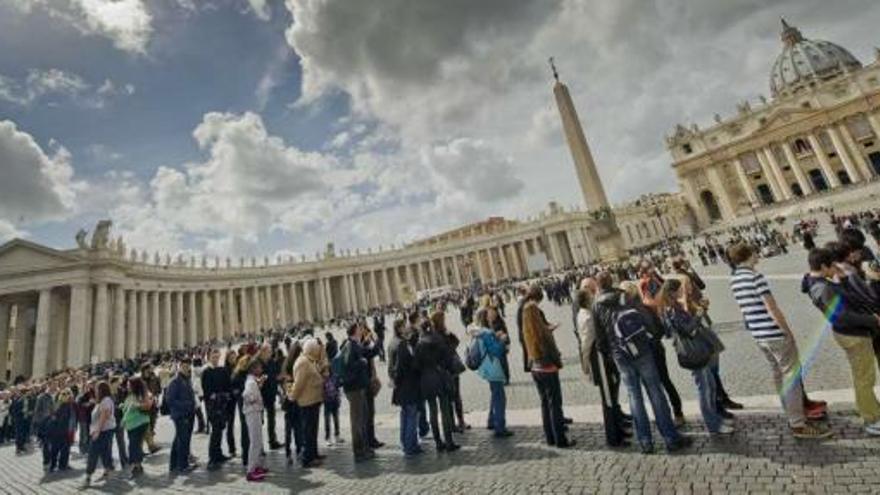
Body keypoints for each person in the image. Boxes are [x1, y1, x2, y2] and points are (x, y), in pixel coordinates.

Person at [728, 243, 832, 439]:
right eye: (755, 251)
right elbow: (772, 307)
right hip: (774, 333)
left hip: (759, 335)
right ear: (749, 254)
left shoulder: (735, 279)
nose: (758, 254)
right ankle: (798, 424)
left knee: (778, 374)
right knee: (791, 375)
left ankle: (792, 413)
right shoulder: (755, 276)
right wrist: (787, 331)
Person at [592, 273, 689, 454]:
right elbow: (644, 321)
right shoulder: (625, 296)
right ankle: (670, 437)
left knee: (634, 396)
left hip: (620, 354)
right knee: (655, 392)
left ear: (598, 286)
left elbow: (600, 340)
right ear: (612, 282)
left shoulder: (596, 304)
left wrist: (612, 353)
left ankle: (645, 442)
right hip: (641, 349)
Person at [803, 247, 880, 435]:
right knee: (864, 379)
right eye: (832, 266)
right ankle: (871, 418)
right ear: (823, 266)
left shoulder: (819, 282)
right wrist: (872, 320)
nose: (835, 268)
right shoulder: (822, 287)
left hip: (850, 333)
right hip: (853, 335)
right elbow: (841, 317)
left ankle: (870, 408)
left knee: (863, 377)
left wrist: (842, 279)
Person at [656, 279, 732, 436]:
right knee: (704, 389)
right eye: (679, 290)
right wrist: (699, 313)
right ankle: (713, 425)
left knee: (710, 385)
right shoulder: (672, 310)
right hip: (693, 353)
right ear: (673, 292)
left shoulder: (672, 307)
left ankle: (716, 419)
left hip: (695, 350)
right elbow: (688, 330)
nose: (682, 292)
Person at [521, 284, 574, 448]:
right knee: (555, 404)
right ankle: (560, 439)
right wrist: (557, 361)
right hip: (547, 368)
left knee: (544, 403)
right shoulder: (543, 333)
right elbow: (551, 351)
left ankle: (550, 437)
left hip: (535, 369)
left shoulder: (528, 332)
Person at [415, 315, 460, 453]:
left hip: (427, 380)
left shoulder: (419, 344)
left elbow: (416, 365)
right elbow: (447, 358)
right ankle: (449, 441)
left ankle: (438, 442)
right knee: (445, 410)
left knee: (433, 412)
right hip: (440, 377)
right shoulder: (438, 339)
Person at [339, 322, 381, 461]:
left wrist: (377, 340)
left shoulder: (356, 344)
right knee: (357, 421)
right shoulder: (349, 345)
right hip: (354, 389)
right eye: (359, 329)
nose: (361, 331)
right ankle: (358, 452)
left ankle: (364, 448)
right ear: (355, 331)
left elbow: (370, 353)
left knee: (363, 418)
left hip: (359, 387)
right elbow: (348, 365)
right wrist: (362, 362)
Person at [471, 308, 513, 438]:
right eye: (489, 316)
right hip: (492, 366)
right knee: (500, 396)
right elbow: (496, 351)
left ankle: (491, 420)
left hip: (486, 367)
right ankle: (499, 427)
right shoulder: (487, 333)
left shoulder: (479, 332)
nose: (491, 318)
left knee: (495, 393)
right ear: (485, 318)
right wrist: (502, 340)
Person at [388, 318, 423, 457]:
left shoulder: (392, 342)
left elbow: (393, 367)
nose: (407, 328)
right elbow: (401, 367)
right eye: (405, 326)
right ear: (400, 328)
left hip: (401, 387)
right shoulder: (402, 345)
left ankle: (406, 442)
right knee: (411, 416)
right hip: (408, 386)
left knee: (405, 415)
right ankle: (410, 446)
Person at [288, 338, 325, 468]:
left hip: (313, 400)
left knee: (313, 430)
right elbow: (299, 384)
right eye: (317, 350)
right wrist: (292, 397)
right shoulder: (303, 363)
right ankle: (307, 458)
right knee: (308, 431)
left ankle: (313, 454)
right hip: (307, 402)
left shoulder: (309, 360)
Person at [433, 311, 470, 432]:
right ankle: (458, 422)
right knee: (454, 397)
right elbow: (454, 344)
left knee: (450, 398)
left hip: (446, 370)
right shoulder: (440, 334)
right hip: (449, 369)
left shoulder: (437, 334)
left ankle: (454, 423)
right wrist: (449, 335)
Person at [81, 381, 116, 488]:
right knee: (104, 452)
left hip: (103, 431)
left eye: (97, 389)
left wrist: (97, 431)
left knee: (93, 453)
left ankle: (88, 476)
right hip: (102, 431)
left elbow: (104, 417)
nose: (95, 391)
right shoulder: (101, 401)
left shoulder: (106, 400)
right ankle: (108, 470)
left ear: (101, 390)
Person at [202, 348, 232, 470]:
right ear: (209, 357)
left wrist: (225, 395)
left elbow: (227, 385)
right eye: (213, 357)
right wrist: (214, 396)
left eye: (217, 357)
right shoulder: (206, 372)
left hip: (222, 404)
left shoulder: (222, 370)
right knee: (215, 431)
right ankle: (212, 458)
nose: (216, 359)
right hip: (213, 406)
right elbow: (206, 390)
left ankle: (218, 454)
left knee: (220, 429)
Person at [166, 359, 198, 474]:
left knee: (179, 440)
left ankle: (173, 465)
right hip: (181, 415)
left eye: (188, 366)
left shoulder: (187, 379)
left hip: (189, 414)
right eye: (184, 366)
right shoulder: (175, 381)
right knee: (183, 440)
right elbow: (170, 400)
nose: (186, 368)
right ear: (179, 367)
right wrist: (187, 405)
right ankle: (183, 465)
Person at [121, 377, 153, 479]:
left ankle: (136, 467)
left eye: (129, 385)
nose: (127, 387)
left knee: (134, 445)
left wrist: (137, 405)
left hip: (139, 423)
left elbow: (148, 405)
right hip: (132, 424)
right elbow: (128, 407)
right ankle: (138, 466)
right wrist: (122, 406)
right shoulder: (130, 395)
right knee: (135, 445)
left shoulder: (141, 394)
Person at [243, 358, 268, 482]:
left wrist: (259, 384)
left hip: (255, 412)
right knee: (254, 442)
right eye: (259, 367)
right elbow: (247, 396)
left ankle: (257, 466)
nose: (261, 369)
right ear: (253, 369)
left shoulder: (252, 380)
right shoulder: (250, 382)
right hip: (252, 412)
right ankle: (251, 470)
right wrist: (254, 398)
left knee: (258, 441)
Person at [281, 340, 303, 464]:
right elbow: (288, 385)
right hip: (293, 399)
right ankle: (296, 451)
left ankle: (290, 452)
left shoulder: (287, 365)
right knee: (295, 427)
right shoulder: (293, 367)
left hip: (290, 400)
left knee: (291, 428)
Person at [259, 343, 283, 450]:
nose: (271, 353)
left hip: (271, 394)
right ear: (263, 351)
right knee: (259, 421)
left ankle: (272, 441)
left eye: (271, 351)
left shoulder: (272, 362)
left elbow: (276, 375)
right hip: (260, 396)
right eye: (269, 351)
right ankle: (259, 446)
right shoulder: (258, 364)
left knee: (271, 419)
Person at [47, 388, 75, 472]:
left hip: (60, 430)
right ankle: (59, 465)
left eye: (68, 394)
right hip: (61, 431)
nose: (67, 396)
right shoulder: (64, 406)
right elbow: (58, 418)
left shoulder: (65, 405)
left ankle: (57, 465)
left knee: (58, 449)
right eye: (65, 394)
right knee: (60, 449)